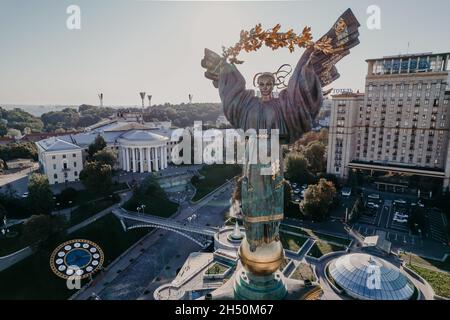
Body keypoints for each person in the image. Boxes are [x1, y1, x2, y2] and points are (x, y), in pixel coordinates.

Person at [201, 8, 360, 270]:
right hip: (253, 156)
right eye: (261, 83)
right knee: (253, 196)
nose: (264, 86)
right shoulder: (247, 104)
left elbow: (300, 91)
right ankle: (254, 238)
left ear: (273, 85)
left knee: (272, 194)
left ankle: (271, 235)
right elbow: (232, 91)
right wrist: (225, 66)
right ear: (257, 84)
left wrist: (309, 60)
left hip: (273, 154)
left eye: (268, 83)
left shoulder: (282, 106)